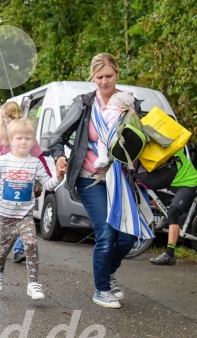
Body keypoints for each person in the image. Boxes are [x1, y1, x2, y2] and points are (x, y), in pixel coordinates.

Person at [48, 53, 143, 308]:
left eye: (108, 76)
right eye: (99, 77)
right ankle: (101, 289)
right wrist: (59, 158)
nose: (104, 81)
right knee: (106, 232)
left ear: (117, 74)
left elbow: (141, 141)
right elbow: (56, 138)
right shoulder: (83, 103)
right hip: (90, 179)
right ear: (93, 77)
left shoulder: (130, 102)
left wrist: (133, 117)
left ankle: (108, 273)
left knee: (128, 237)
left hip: (120, 179)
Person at [0, 118, 65, 300]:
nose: (23, 141)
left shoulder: (35, 163)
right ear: (11, 140)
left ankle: (33, 283)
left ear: (33, 141)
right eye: (19, 138)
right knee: (4, 250)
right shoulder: (3, 161)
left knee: (31, 243)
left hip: (25, 215)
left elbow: (48, 184)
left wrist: (59, 176)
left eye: (28, 138)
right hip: (5, 216)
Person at [0, 102, 51, 256]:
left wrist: (47, 179)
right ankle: (4, 244)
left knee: (23, 214)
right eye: (4, 117)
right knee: (4, 216)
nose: (6, 120)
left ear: (17, 116)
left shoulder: (26, 135)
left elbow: (40, 158)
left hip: (24, 181)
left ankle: (19, 250)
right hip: (2, 183)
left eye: (10, 117)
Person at [149, 150, 197, 265]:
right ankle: (168, 217)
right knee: (148, 193)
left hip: (189, 184)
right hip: (174, 184)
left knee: (173, 212)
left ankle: (169, 255)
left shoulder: (171, 147)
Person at [94, 91, 136, 169]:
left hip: (109, 137)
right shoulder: (129, 115)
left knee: (102, 140)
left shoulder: (108, 112)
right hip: (122, 139)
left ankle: (102, 157)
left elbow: (99, 124)